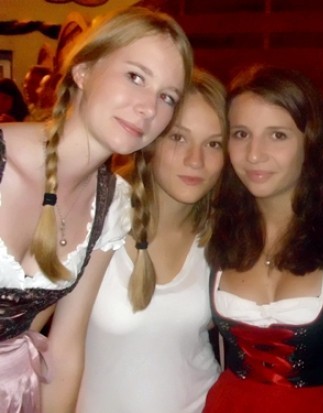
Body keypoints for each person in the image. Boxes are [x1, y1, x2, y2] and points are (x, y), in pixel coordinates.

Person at [0, 6, 192, 413]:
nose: (149, 108)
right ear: (83, 70)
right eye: (135, 76)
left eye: (167, 97)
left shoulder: (111, 204)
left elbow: (65, 351)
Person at [204, 65, 323, 412]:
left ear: (311, 141)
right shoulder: (213, 229)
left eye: (277, 135)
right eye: (241, 134)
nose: (254, 154)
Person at [77, 69, 225, 413]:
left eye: (213, 144)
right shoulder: (97, 215)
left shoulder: (223, 234)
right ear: (150, 140)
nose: (195, 160)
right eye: (178, 137)